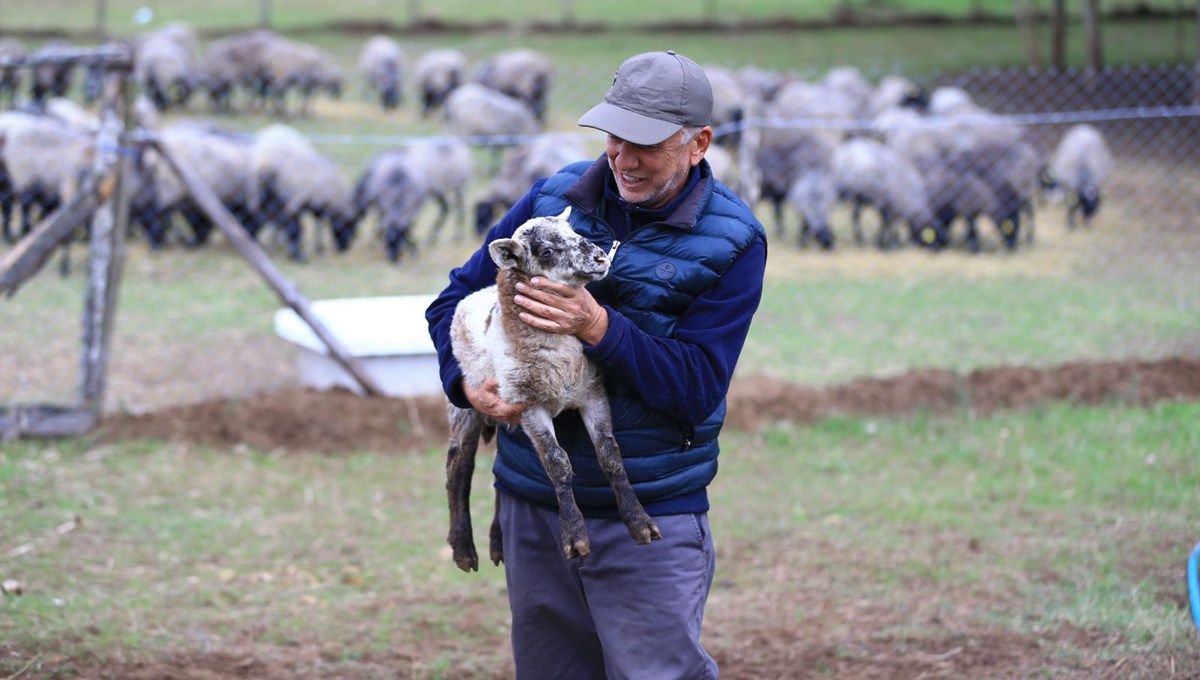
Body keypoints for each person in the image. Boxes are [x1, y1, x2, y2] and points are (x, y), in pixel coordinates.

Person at [426, 49, 767, 679]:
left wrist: (598, 327)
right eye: (615, 135)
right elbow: (451, 301)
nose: (623, 157)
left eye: (647, 143)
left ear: (699, 144)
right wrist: (470, 387)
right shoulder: (551, 199)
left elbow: (695, 388)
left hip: (648, 514)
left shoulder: (732, 242)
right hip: (533, 506)